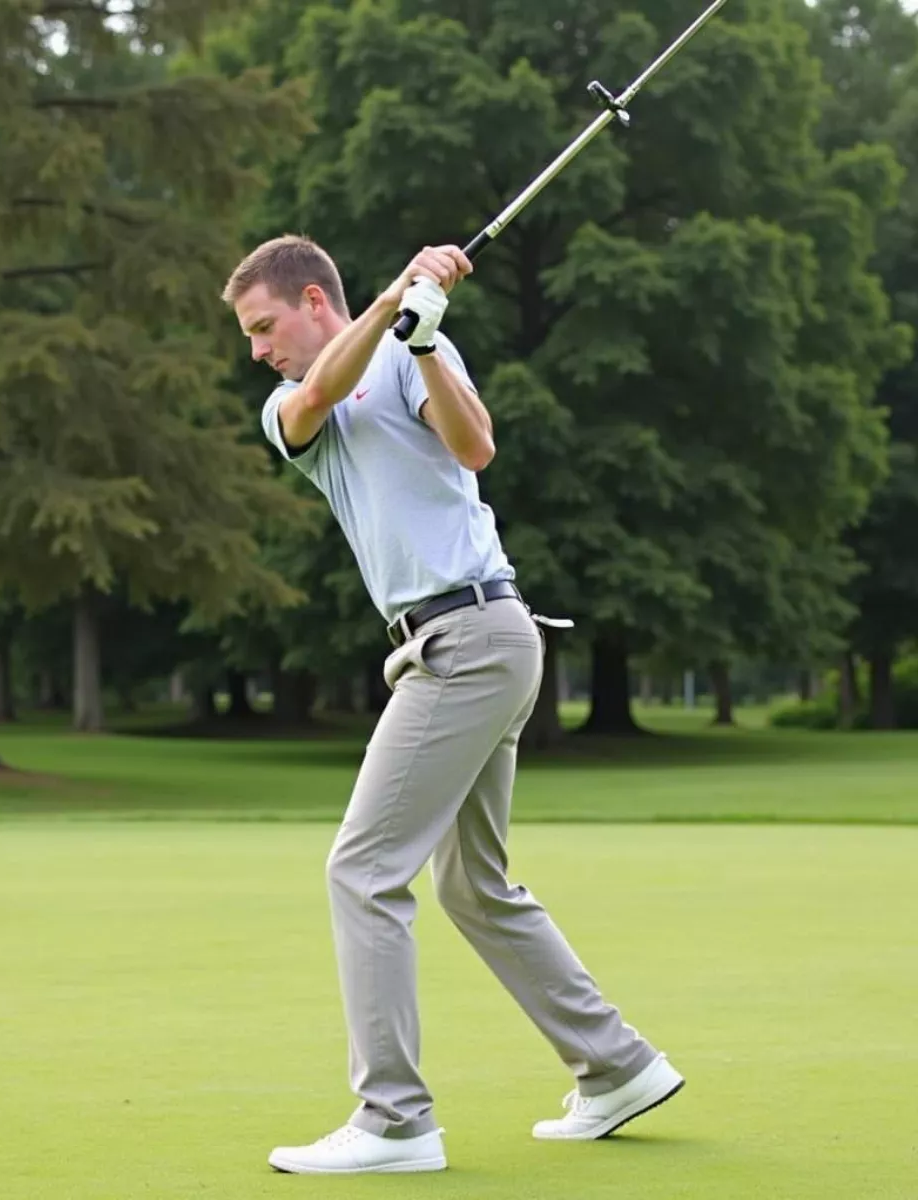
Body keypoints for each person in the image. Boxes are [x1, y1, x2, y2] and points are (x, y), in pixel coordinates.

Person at [221, 235, 684, 1175]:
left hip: (474, 638)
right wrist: (399, 298)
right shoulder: (287, 404)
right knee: (471, 884)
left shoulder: (412, 344)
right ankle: (616, 1066)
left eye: (265, 326)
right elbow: (313, 402)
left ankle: (394, 1120)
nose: (259, 349)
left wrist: (426, 341)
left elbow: (476, 446)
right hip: (458, 645)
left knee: (362, 869)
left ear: (314, 299)